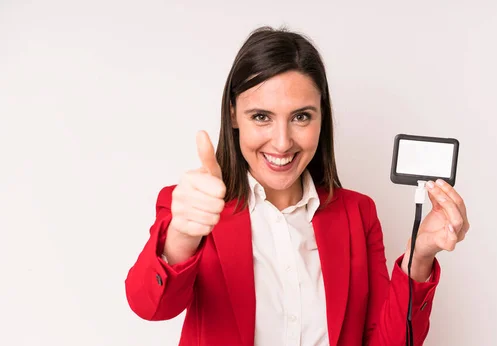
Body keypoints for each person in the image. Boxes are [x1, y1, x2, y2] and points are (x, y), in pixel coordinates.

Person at [125, 26, 470, 346]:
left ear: (322, 117)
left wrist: (419, 257)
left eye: (301, 116)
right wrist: (182, 238)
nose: (281, 142)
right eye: (261, 116)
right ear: (233, 115)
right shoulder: (192, 205)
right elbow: (149, 307)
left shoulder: (357, 214)